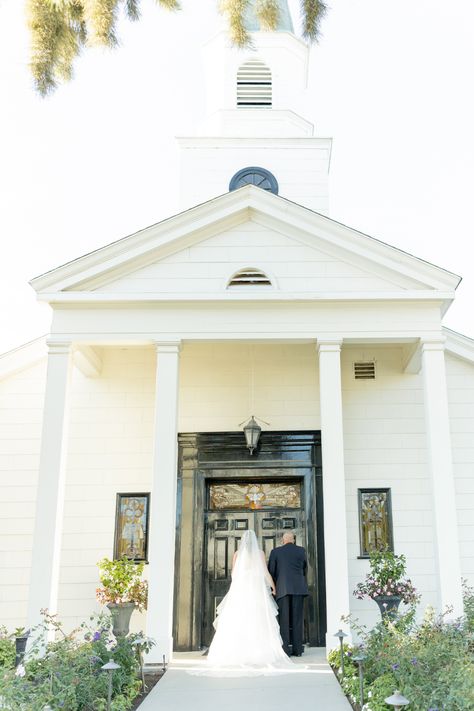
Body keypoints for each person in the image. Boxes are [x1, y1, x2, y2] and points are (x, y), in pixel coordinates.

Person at [205, 529, 293, 673]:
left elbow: (233, 574)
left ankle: (239, 652)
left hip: (241, 590)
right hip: (256, 591)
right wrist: (273, 586)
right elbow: (265, 572)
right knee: (257, 620)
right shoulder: (260, 554)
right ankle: (259, 652)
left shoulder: (237, 554)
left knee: (240, 619)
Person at [268, 531, 308, 656]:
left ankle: (285, 650)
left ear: (283, 540)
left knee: (284, 620)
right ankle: (297, 649)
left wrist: (276, 583)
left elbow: (271, 571)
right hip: (298, 588)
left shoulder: (276, 552)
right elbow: (304, 568)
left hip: (283, 589)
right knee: (297, 620)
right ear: (294, 540)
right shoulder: (301, 551)